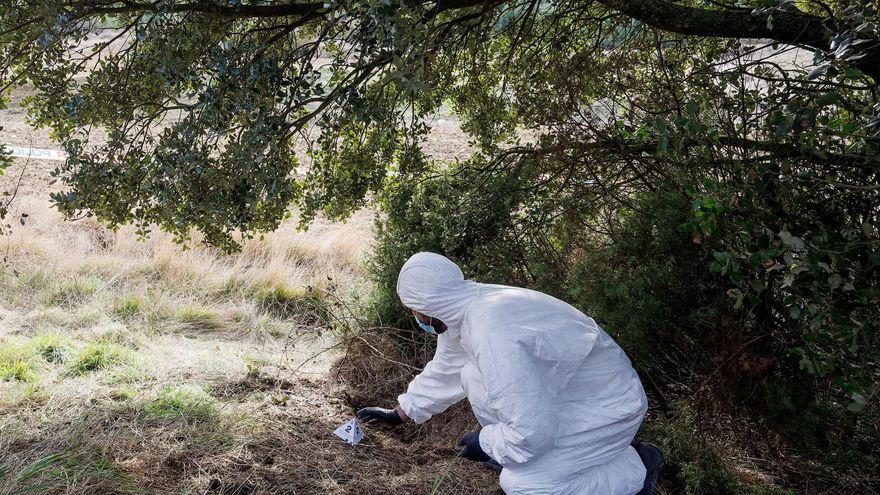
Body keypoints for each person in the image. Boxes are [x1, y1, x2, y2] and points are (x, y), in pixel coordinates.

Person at [358, 252, 659, 495]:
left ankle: (636, 468)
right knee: (470, 375)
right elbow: (446, 368)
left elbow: (532, 432)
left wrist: (486, 442)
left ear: (427, 305)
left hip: (610, 408)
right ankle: (528, 455)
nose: (415, 317)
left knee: (525, 485)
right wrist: (401, 413)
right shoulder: (464, 309)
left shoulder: (492, 330)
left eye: (412, 309)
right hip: (576, 397)